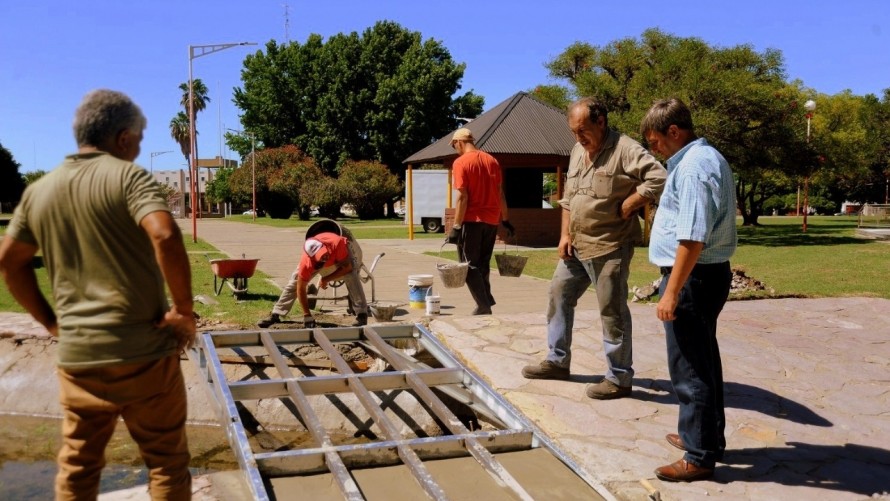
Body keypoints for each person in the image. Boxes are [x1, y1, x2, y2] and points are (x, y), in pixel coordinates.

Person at [0, 89, 195, 500]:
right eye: (139, 140)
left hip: (79, 359)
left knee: (79, 467)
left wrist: (50, 322)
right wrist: (184, 309)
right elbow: (163, 232)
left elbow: (9, 261)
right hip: (145, 355)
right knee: (166, 463)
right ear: (123, 137)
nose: (138, 149)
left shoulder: (40, 191)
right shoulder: (130, 178)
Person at [521, 97, 667, 400]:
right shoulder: (577, 151)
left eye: (583, 130)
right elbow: (568, 199)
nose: (578, 138)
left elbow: (659, 176)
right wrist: (564, 235)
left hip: (610, 245)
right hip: (577, 245)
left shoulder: (625, 149)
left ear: (601, 122)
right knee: (559, 294)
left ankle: (619, 377)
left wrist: (632, 201)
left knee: (611, 310)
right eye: (574, 132)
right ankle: (557, 361)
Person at [640, 98, 737, 482]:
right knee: (703, 360)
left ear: (674, 132)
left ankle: (699, 455)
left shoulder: (695, 167)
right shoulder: (703, 159)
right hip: (704, 275)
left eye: (655, 142)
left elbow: (692, 237)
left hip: (695, 278)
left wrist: (671, 291)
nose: (654, 150)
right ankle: (706, 438)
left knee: (690, 368)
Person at [446, 127, 514, 315]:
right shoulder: (492, 160)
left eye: (454, 146)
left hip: (472, 221)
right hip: (492, 220)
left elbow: (463, 198)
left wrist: (456, 226)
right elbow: (500, 193)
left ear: (459, 142)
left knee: (467, 266)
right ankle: (486, 300)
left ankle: (484, 305)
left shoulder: (460, 163)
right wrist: (506, 219)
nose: (455, 149)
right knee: (482, 263)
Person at [257, 229, 368, 328]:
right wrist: (307, 315)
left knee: (351, 275)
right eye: (321, 257)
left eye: (324, 254)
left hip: (339, 255)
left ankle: (362, 314)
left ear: (325, 247)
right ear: (312, 258)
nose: (324, 257)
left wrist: (326, 279)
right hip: (315, 261)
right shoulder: (306, 263)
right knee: (294, 283)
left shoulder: (337, 243)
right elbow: (300, 289)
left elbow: (347, 268)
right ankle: (276, 313)